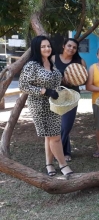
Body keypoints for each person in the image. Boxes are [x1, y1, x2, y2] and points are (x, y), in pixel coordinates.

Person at [19, 35, 73, 176]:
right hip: (39, 105)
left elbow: (55, 83)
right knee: (55, 136)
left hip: (54, 105)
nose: (47, 48)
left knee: (50, 136)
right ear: (37, 48)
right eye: (43, 46)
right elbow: (23, 86)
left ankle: (49, 165)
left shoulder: (51, 63)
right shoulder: (32, 65)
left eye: (48, 46)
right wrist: (44, 91)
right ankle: (63, 165)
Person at [51, 38, 87, 162]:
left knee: (66, 125)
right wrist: (61, 80)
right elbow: (48, 75)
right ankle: (64, 152)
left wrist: (72, 79)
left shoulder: (80, 61)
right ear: (63, 46)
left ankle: (56, 150)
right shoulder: (53, 59)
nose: (71, 49)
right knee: (56, 125)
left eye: (74, 47)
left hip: (72, 96)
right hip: (56, 95)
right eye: (69, 46)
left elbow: (84, 79)